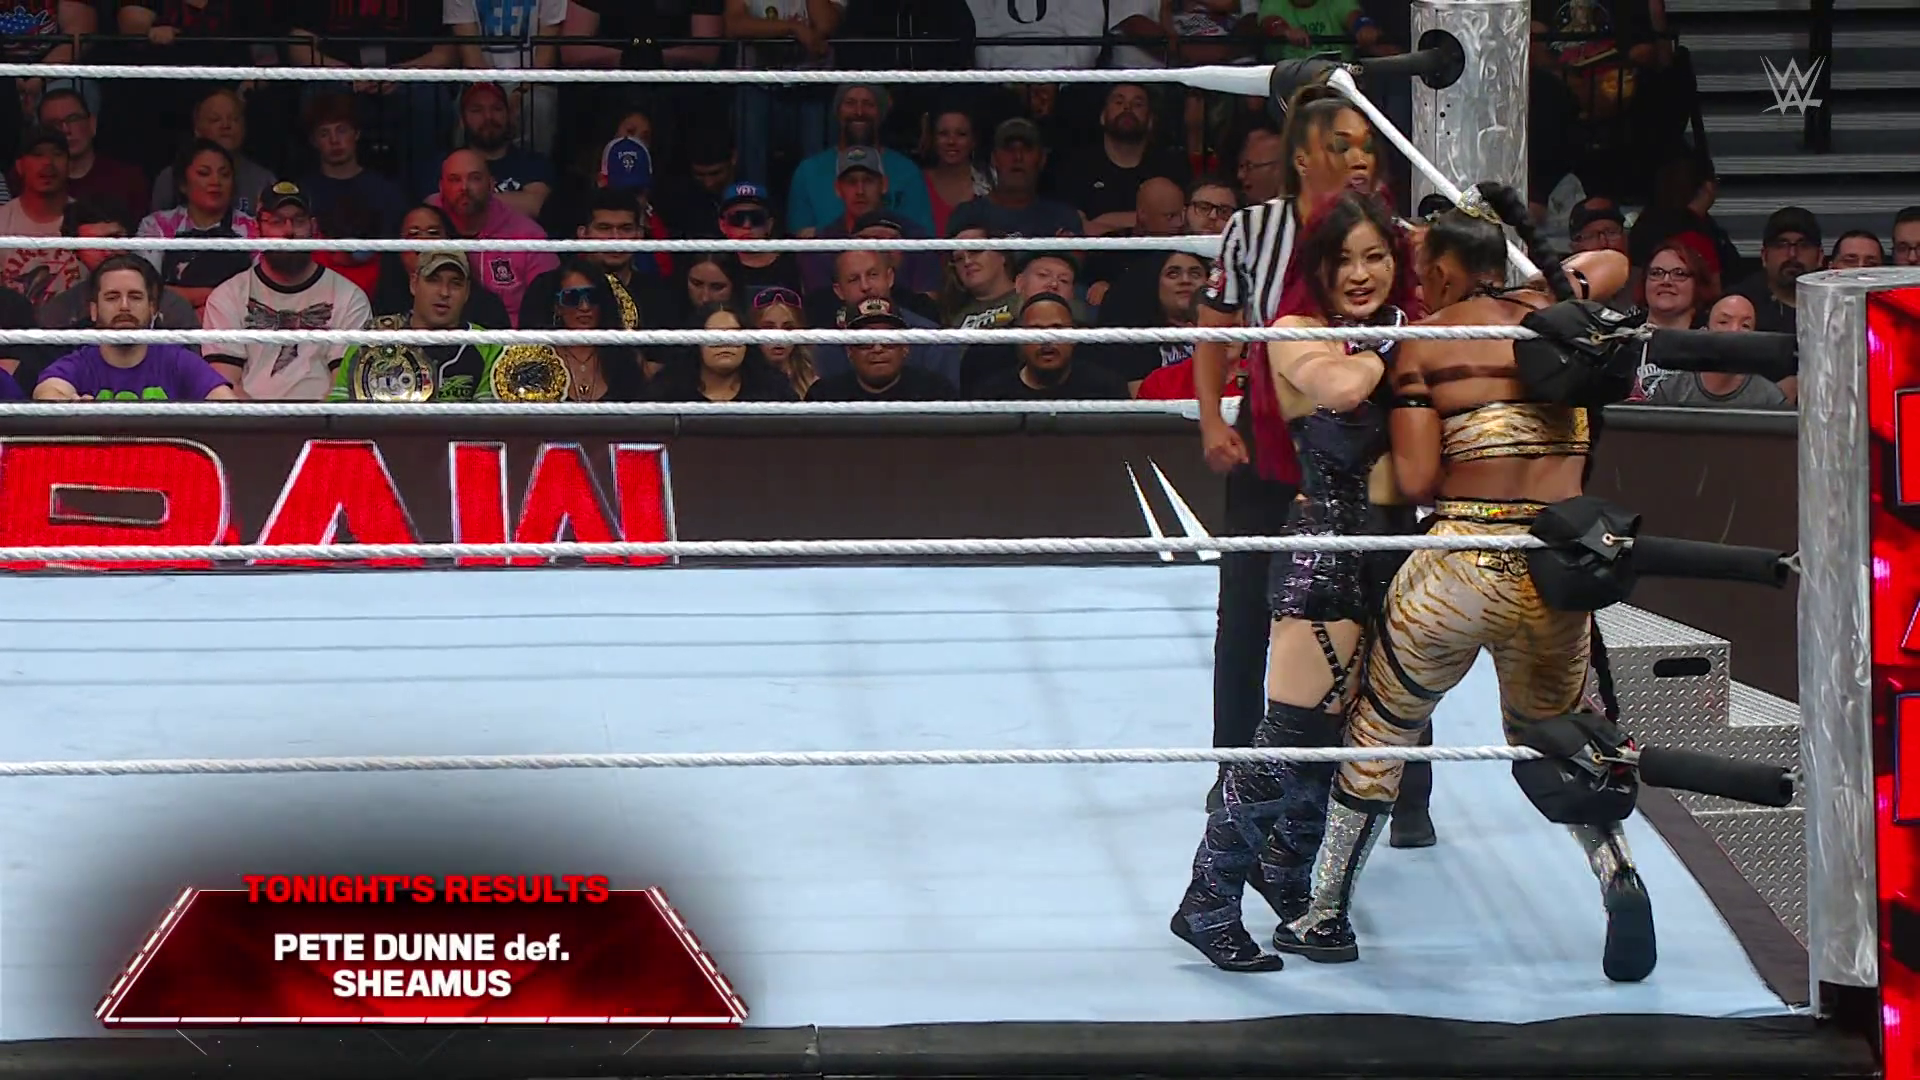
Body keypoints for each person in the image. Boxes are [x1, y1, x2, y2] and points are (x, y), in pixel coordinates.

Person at [1274, 182, 1641, 980]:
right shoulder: (1562, 320)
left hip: (1462, 561)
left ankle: (1325, 911)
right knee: (1563, 735)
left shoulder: (1427, 342)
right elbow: (1610, 264)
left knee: (1382, 728)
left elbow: (1415, 480)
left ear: (1441, 271)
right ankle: (1619, 875)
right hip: (1561, 563)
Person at [1170, 190, 1416, 972]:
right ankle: (1207, 901)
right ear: (1317, 267)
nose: (1361, 273)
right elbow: (1341, 390)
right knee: (1286, 736)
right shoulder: (1294, 331)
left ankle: (1284, 868)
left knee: (1337, 737)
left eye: (1376, 256)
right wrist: (1404, 339)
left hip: (1387, 554)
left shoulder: (1398, 330)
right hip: (1325, 559)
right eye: (1344, 259)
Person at [1192, 83, 1431, 842]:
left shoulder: (1395, 235)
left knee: (1396, 619)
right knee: (1247, 610)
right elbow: (1215, 328)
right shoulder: (1253, 229)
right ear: (1301, 157)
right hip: (1274, 444)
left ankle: (1405, 791)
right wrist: (1211, 419)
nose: (1360, 158)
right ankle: (1236, 770)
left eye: (1367, 145)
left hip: (1371, 458)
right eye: (1342, 144)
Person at [31, 256, 235, 402]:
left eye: (135, 297)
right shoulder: (79, 363)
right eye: (112, 297)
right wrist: (70, 406)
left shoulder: (178, 361)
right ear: (94, 310)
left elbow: (226, 405)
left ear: (153, 308)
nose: (124, 306)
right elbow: (47, 391)